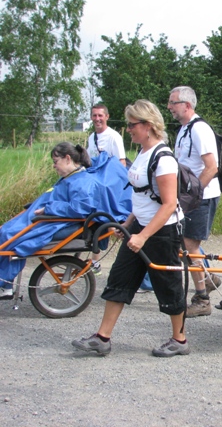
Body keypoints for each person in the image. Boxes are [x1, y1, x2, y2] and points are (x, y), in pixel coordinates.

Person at [72, 100, 188, 357]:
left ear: (148, 126)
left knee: (167, 284)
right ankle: (102, 338)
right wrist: (127, 224)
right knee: (119, 279)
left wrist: (144, 236)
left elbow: (169, 205)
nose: (128, 130)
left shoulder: (163, 158)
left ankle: (179, 340)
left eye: (132, 125)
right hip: (140, 227)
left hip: (162, 231)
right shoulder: (144, 154)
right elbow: (144, 195)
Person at [0, 143, 131, 299]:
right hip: (45, 219)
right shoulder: (70, 177)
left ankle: (4, 284)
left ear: (68, 159)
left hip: (56, 222)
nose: (54, 166)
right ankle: (5, 284)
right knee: (5, 232)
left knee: (9, 236)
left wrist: (49, 208)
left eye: (56, 161)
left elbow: (80, 209)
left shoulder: (83, 181)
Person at [167, 86, 221, 317]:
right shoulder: (184, 130)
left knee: (190, 247)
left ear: (187, 105)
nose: (169, 107)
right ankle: (208, 279)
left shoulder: (200, 130)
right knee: (185, 244)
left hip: (202, 198)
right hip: (191, 198)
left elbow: (212, 167)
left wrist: (192, 195)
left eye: (173, 103)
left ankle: (202, 300)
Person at [86, 103, 128, 275]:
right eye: (94, 115)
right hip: (98, 185)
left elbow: (121, 164)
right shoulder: (92, 138)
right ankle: (95, 260)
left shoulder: (114, 137)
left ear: (107, 117)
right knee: (95, 221)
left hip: (109, 186)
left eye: (100, 115)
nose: (97, 119)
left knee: (112, 224)